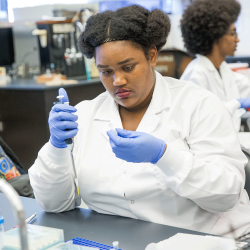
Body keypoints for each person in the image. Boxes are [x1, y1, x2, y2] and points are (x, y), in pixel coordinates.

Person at [29, 5, 250, 237]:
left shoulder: (197, 104)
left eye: (128, 67)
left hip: (202, 238)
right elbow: (54, 204)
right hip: (113, 239)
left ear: (152, 56)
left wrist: (164, 156)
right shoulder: (85, 115)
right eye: (106, 72)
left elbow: (226, 196)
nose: (118, 81)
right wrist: (57, 147)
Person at [180, 0, 250, 131]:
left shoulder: (222, 68)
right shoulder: (196, 74)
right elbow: (205, 117)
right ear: (215, 36)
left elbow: (244, 85)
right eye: (232, 33)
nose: (237, 39)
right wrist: (238, 103)